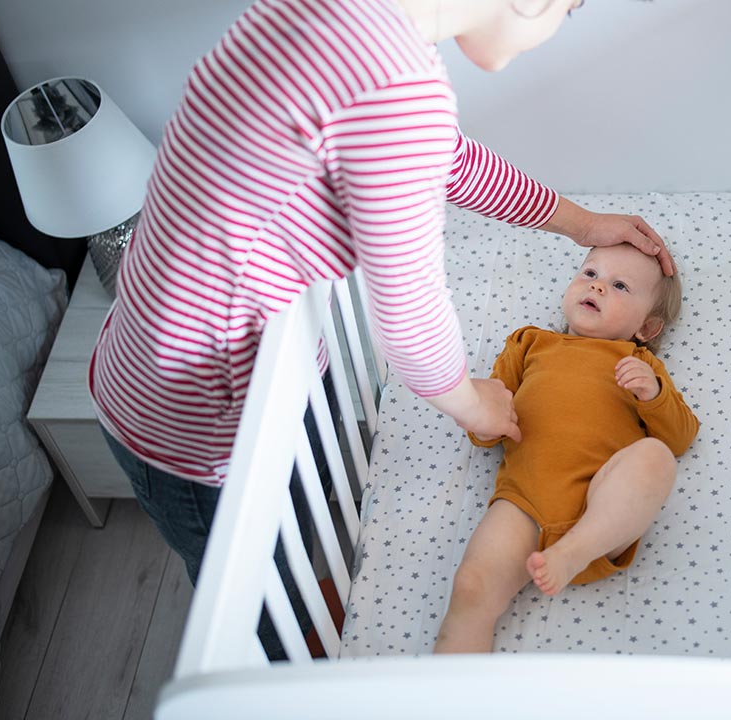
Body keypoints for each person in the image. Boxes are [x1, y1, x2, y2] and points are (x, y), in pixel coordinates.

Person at [89, 0, 676, 595]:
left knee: (297, 532)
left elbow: (453, 163)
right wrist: (472, 403)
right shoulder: (398, 87)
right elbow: (410, 310)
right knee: (257, 592)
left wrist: (579, 224)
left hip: (160, 352)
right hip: (203, 419)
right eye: (569, 11)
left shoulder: (342, 22)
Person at [434, 242, 699, 653]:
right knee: (470, 588)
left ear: (646, 329)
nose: (597, 288)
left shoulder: (638, 364)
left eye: (620, 285)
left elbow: (680, 438)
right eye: (590, 274)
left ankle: (575, 549)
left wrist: (654, 393)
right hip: (524, 506)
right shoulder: (530, 343)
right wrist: (478, 411)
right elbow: (485, 429)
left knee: (655, 457)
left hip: (600, 508)